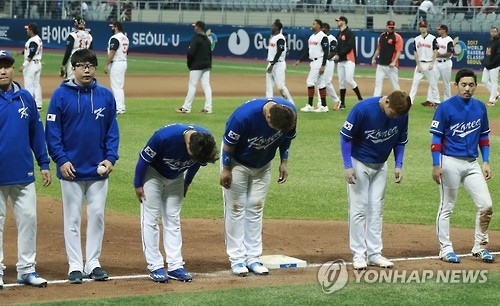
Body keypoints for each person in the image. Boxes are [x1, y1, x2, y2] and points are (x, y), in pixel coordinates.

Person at [45, 49, 120, 284]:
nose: (86, 69)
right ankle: (75, 265)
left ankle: (94, 262)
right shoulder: (60, 96)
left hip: (98, 168)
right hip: (71, 169)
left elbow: (112, 131)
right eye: (81, 65)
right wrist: (61, 159)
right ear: (73, 68)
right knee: (73, 219)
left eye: (90, 65)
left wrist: (110, 158)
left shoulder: (106, 96)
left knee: (97, 216)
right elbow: (52, 133)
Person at [220, 97, 297, 276]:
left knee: (256, 207)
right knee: (236, 208)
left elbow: (287, 138)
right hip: (237, 163)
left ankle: (253, 257)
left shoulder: (289, 114)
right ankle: (237, 259)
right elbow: (229, 144)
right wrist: (225, 169)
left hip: (263, 164)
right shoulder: (243, 117)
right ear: (268, 117)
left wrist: (284, 161)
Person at [134, 124, 218, 283]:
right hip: (153, 174)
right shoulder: (164, 137)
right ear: (187, 144)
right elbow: (143, 160)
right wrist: (138, 184)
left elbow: (196, 164)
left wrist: (187, 183)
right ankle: (155, 265)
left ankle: (175, 265)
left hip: (176, 178)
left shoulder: (204, 142)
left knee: (173, 218)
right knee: (151, 219)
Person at [340, 90, 411, 270]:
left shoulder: (402, 114)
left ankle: (374, 254)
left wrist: (398, 164)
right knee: (359, 209)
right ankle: (358, 254)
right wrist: (348, 165)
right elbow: (345, 137)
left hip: (381, 165)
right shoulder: (363, 109)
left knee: (376, 209)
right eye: (393, 113)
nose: (395, 117)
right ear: (386, 102)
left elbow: (401, 140)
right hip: (359, 164)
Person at [429, 68, 495, 264]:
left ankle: (480, 246)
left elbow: (483, 136)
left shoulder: (480, 107)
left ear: (476, 86)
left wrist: (486, 161)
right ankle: (445, 249)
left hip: (472, 163)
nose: (467, 88)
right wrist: (435, 164)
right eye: (464, 85)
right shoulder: (445, 107)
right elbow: (436, 138)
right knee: (447, 206)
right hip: (449, 162)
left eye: (471, 85)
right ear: (455, 85)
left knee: (487, 205)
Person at [0, 50, 51, 288]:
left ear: (13, 68)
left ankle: (26, 269)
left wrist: (43, 163)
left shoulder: (26, 97)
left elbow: (36, 132)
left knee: (29, 220)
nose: (3, 70)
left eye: (7, 66)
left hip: (23, 172)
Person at [176, 21, 213, 114]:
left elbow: (190, 53)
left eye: (195, 26)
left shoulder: (196, 39)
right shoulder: (207, 40)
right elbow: (210, 54)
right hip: (207, 65)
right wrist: (209, 64)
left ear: (199, 27)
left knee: (192, 85)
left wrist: (190, 64)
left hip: (197, 66)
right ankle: (208, 108)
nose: (194, 27)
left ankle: (186, 107)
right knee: (206, 86)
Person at [294, 19, 328, 113]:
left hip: (319, 61)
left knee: (310, 82)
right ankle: (324, 106)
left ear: (319, 26)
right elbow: (307, 51)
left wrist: (323, 65)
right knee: (321, 83)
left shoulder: (323, 37)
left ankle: (310, 105)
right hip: (313, 61)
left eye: (314, 24)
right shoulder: (312, 37)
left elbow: (326, 52)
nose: (312, 25)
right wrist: (300, 60)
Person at [333, 16, 363, 110]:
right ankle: (342, 103)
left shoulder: (349, 33)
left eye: (339, 21)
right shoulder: (339, 34)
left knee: (349, 79)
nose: (338, 22)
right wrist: (336, 54)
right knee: (341, 82)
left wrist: (339, 54)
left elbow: (350, 46)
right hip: (341, 60)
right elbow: (337, 46)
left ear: (344, 22)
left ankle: (360, 98)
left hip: (349, 59)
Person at [408, 21, 440, 107]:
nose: (423, 28)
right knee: (415, 83)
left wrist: (433, 63)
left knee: (433, 84)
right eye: (421, 27)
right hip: (420, 64)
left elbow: (436, 50)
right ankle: (410, 101)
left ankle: (437, 101)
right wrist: (418, 64)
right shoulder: (416, 39)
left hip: (429, 63)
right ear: (419, 28)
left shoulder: (432, 38)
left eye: (424, 27)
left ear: (427, 28)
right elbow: (415, 52)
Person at [266, 19, 294, 105]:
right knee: (269, 87)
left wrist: (273, 64)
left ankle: (290, 103)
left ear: (277, 27)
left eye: (273, 26)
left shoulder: (280, 38)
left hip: (278, 64)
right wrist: (271, 64)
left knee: (280, 86)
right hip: (271, 63)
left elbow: (280, 51)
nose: (272, 27)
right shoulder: (273, 37)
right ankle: (269, 103)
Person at [371, 21, 403, 97]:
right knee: (378, 84)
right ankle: (376, 99)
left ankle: (400, 100)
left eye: (392, 27)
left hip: (391, 66)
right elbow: (379, 48)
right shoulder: (382, 36)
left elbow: (399, 50)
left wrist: (394, 62)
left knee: (395, 85)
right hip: (381, 64)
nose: (391, 28)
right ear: (386, 27)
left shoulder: (397, 37)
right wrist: (374, 58)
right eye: (390, 27)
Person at [104, 21, 129, 115]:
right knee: (119, 86)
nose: (112, 28)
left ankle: (119, 107)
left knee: (116, 87)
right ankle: (121, 106)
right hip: (123, 61)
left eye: (113, 27)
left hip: (117, 63)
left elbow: (112, 52)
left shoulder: (115, 38)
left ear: (116, 27)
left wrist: (106, 64)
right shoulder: (125, 38)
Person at [315, 22, 341, 111]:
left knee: (326, 82)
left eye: (322, 28)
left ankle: (335, 101)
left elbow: (333, 51)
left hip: (329, 62)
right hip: (322, 61)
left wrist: (325, 59)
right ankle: (321, 103)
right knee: (321, 82)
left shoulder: (332, 39)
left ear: (326, 28)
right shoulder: (320, 37)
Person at [17, 23, 43, 110]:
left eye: (28, 29)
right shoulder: (37, 39)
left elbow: (31, 53)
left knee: (29, 85)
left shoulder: (33, 41)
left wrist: (23, 65)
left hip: (31, 65)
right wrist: (21, 53)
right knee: (36, 85)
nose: (27, 30)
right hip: (37, 63)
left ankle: (29, 104)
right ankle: (38, 104)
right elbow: (31, 51)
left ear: (31, 30)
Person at [433, 24, 454, 102]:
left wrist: (440, 55)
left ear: (444, 30)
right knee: (433, 81)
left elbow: (449, 53)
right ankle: (435, 101)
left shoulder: (449, 40)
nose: (438, 31)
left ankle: (447, 100)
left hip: (446, 63)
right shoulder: (437, 39)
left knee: (446, 83)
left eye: (439, 29)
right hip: (436, 63)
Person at [481, 27, 500, 106]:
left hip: (495, 65)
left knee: (494, 81)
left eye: (495, 31)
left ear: (498, 32)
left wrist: (493, 63)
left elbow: (498, 55)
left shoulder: (499, 42)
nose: (493, 33)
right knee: (484, 80)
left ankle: (492, 100)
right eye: (492, 31)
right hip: (488, 64)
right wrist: (485, 62)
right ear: (490, 33)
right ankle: (496, 94)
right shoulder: (490, 41)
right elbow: (487, 53)